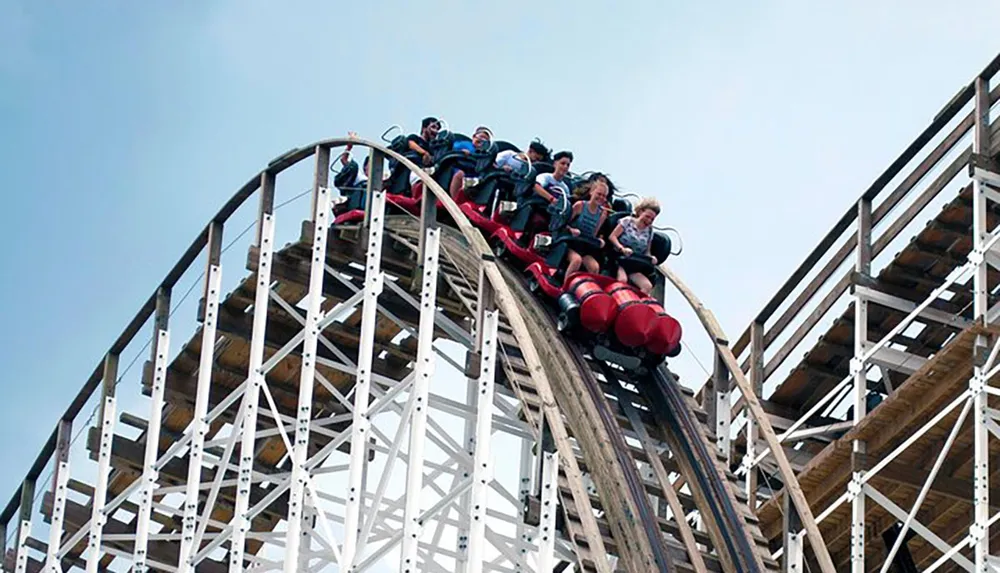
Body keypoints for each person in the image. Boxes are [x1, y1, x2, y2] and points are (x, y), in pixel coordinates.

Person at [562, 175, 610, 286]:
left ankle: (585, 291)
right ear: (591, 192)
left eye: (604, 196)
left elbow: (594, 234)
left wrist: (599, 240)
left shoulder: (602, 214)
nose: (601, 198)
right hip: (569, 243)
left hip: (584, 247)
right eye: (599, 194)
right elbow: (563, 224)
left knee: (594, 267)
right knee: (576, 260)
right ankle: (565, 287)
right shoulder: (580, 206)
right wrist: (571, 229)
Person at [608, 197, 661, 293]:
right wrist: (622, 248)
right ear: (640, 212)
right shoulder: (627, 221)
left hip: (634, 265)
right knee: (622, 280)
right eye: (647, 217)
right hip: (620, 260)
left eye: (652, 219)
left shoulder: (649, 231)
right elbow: (612, 237)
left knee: (647, 286)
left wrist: (651, 257)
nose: (649, 221)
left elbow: (647, 251)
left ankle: (636, 305)